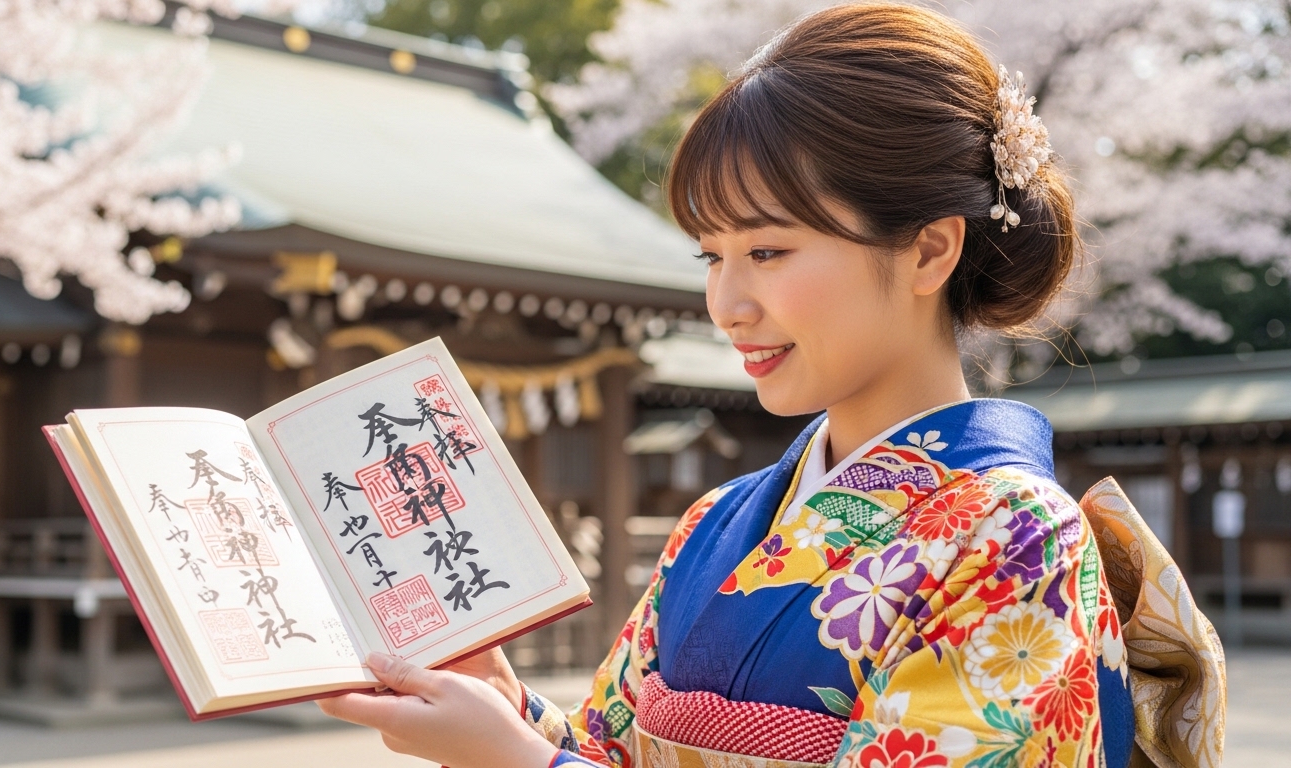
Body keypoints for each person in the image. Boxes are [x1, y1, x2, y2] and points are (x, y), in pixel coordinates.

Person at [318, 4, 1225, 767]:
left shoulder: (1017, 533)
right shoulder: (717, 521)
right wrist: (506, 709)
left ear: (929, 249)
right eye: (712, 256)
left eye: (767, 251)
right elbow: (611, 753)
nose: (726, 302)